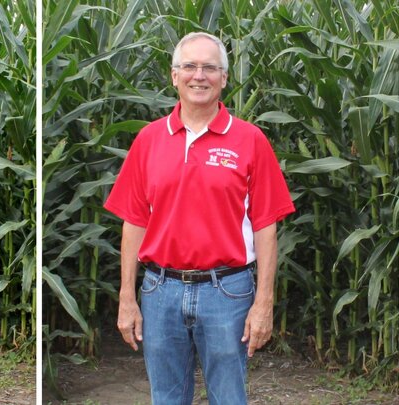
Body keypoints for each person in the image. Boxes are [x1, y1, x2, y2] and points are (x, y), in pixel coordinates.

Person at [104, 32, 295, 404]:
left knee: (229, 397)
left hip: (227, 291)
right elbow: (134, 222)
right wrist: (127, 296)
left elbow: (266, 226)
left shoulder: (250, 140)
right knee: (167, 398)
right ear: (174, 76)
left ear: (224, 78)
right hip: (160, 292)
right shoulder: (148, 140)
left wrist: (264, 303)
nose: (199, 75)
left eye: (210, 67)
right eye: (189, 66)